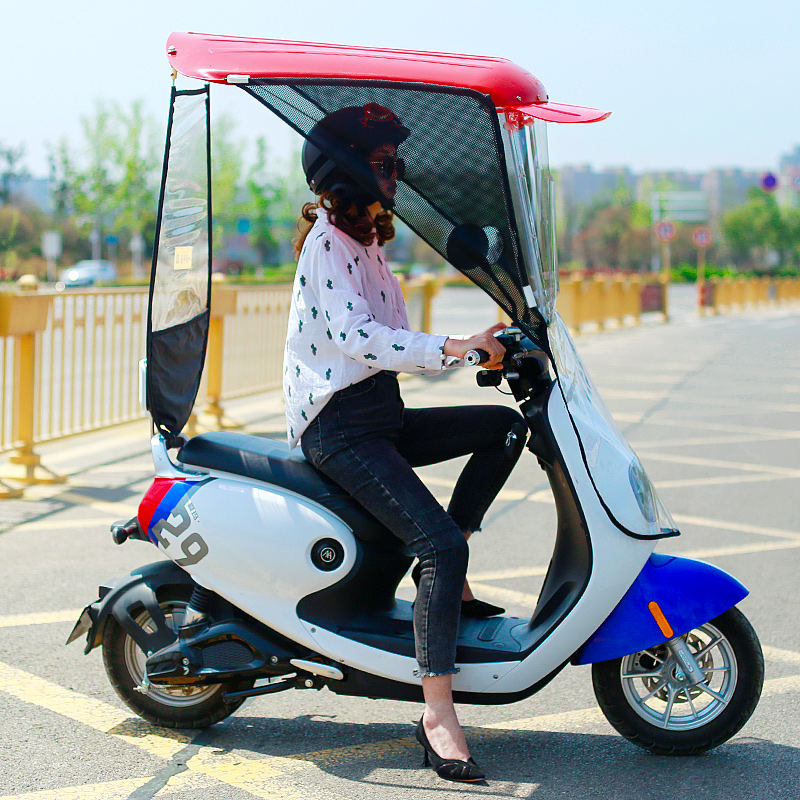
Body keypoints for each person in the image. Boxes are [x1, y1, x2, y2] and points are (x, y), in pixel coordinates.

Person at [283, 103, 525, 783]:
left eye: (398, 163)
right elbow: (360, 338)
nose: (397, 174)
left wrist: (486, 339)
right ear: (352, 169)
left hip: (379, 413)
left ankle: (443, 574)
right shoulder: (328, 244)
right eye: (387, 163)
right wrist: (452, 347)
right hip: (339, 425)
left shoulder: (366, 245)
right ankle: (438, 714)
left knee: (505, 425)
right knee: (438, 544)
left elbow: (392, 343)